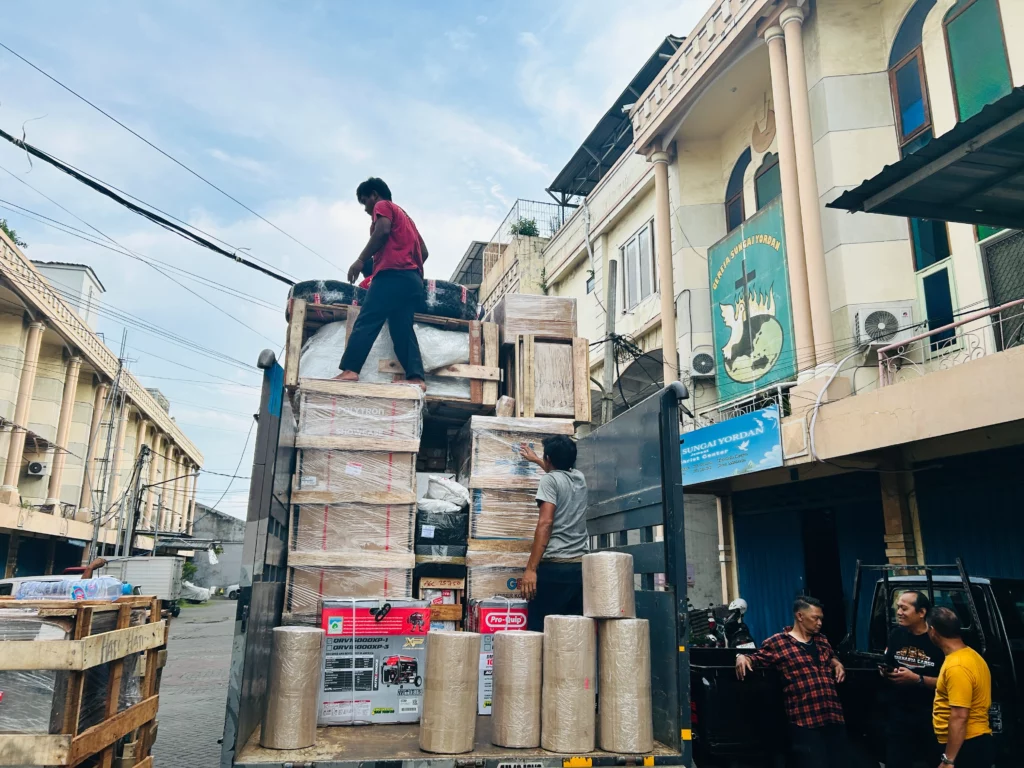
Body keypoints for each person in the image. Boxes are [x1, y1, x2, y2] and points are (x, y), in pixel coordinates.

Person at [337, 177, 429, 390]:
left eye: (364, 201)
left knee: (367, 320)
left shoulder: (383, 206)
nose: (366, 209)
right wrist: (407, 263)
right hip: (412, 280)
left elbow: (382, 230)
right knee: (401, 329)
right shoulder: (407, 219)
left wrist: (361, 260)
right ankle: (416, 378)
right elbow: (424, 252)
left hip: (391, 276)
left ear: (374, 195)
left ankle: (350, 370)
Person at [735, 596, 847, 768]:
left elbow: (831, 656)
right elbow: (756, 657)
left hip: (832, 716)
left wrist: (837, 663)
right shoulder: (778, 643)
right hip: (805, 720)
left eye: (821, 619)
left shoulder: (822, 641)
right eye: (815, 618)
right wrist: (742, 657)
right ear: (800, 616)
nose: (819, 623)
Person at [519, 435, 589, 632]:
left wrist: (531, 569)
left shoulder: (549, 480)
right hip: (579, 569)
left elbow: (545, 523)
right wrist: (537, 460)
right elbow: (558, 477)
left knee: (542, 631)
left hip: (554, 570)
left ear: (549, 458)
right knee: (571, 633)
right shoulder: (579, 478)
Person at [881, 590, 944, 768]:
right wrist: (887, 672)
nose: (899, 612)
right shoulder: (896, 634)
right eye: (898, 607)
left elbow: (949, 682)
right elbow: (889, 662)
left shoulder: (937, 639)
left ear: (921, 612)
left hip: (931, 715)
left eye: (904, 608)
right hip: (899, 714)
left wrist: (917, 679)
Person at [929, 606, 992, 768]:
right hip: (969, 742)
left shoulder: (957, 666)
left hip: (965, 745)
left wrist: (948, 760)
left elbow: (960, 715)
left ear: (932, 631)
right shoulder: (970, 655)